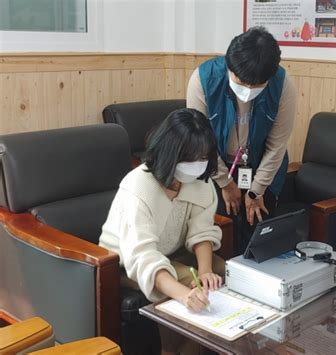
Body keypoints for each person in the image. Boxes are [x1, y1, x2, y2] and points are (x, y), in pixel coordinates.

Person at [99, 108, 224, 355]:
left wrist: (207, 271)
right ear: (170, 153)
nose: (197, 166)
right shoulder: (138, 187)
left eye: (203, 157)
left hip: (172, 252)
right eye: (190, 158)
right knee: (187, 283)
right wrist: (185, 294)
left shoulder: (200, 183)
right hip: (124, 263)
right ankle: (170, 350)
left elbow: (202, 229)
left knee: (221, 273)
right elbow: (142, 256)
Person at [187, 26, 297, 254]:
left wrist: (256, 191)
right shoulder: (203, 79)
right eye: (241, 81)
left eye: (255, 85)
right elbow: (199, 140)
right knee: (221, 231)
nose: (247, 89)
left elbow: (277, 145)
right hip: (216, 165)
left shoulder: (282, 83)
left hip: (262, 168)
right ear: (229, 65)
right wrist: (225, 182)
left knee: (257, 232)